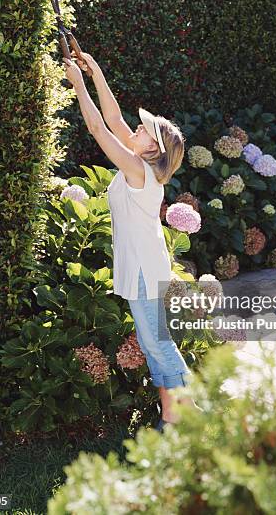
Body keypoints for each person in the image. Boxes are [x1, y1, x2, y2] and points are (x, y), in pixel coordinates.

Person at [63, 52, 201, 430]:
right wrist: (96, 73)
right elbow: (114, 120)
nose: (135, 131)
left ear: (152, 148)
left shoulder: (139, 169)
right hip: (143, 265)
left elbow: (97, 129)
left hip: (145, 269)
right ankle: (173, 414)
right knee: (152, 340)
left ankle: (187, 413)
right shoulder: (144, 163)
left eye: (143, 132)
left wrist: (78, 84)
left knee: (157, 342)